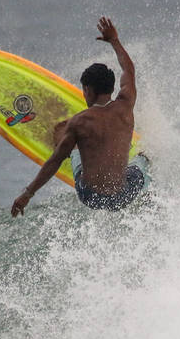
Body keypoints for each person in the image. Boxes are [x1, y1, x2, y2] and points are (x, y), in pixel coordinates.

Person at [11, 17, 150, 216]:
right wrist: (114, 40)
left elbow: (54, 161)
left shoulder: (80, 122)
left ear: (87, 89)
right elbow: (129, 70)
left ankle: (73, 146)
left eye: (83, 90)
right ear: (112, 87)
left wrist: (27, 194)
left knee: (63, 134)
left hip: (91, 196)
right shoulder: (126, 104)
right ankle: (147, 192)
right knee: (144, 159)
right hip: (123, 196)